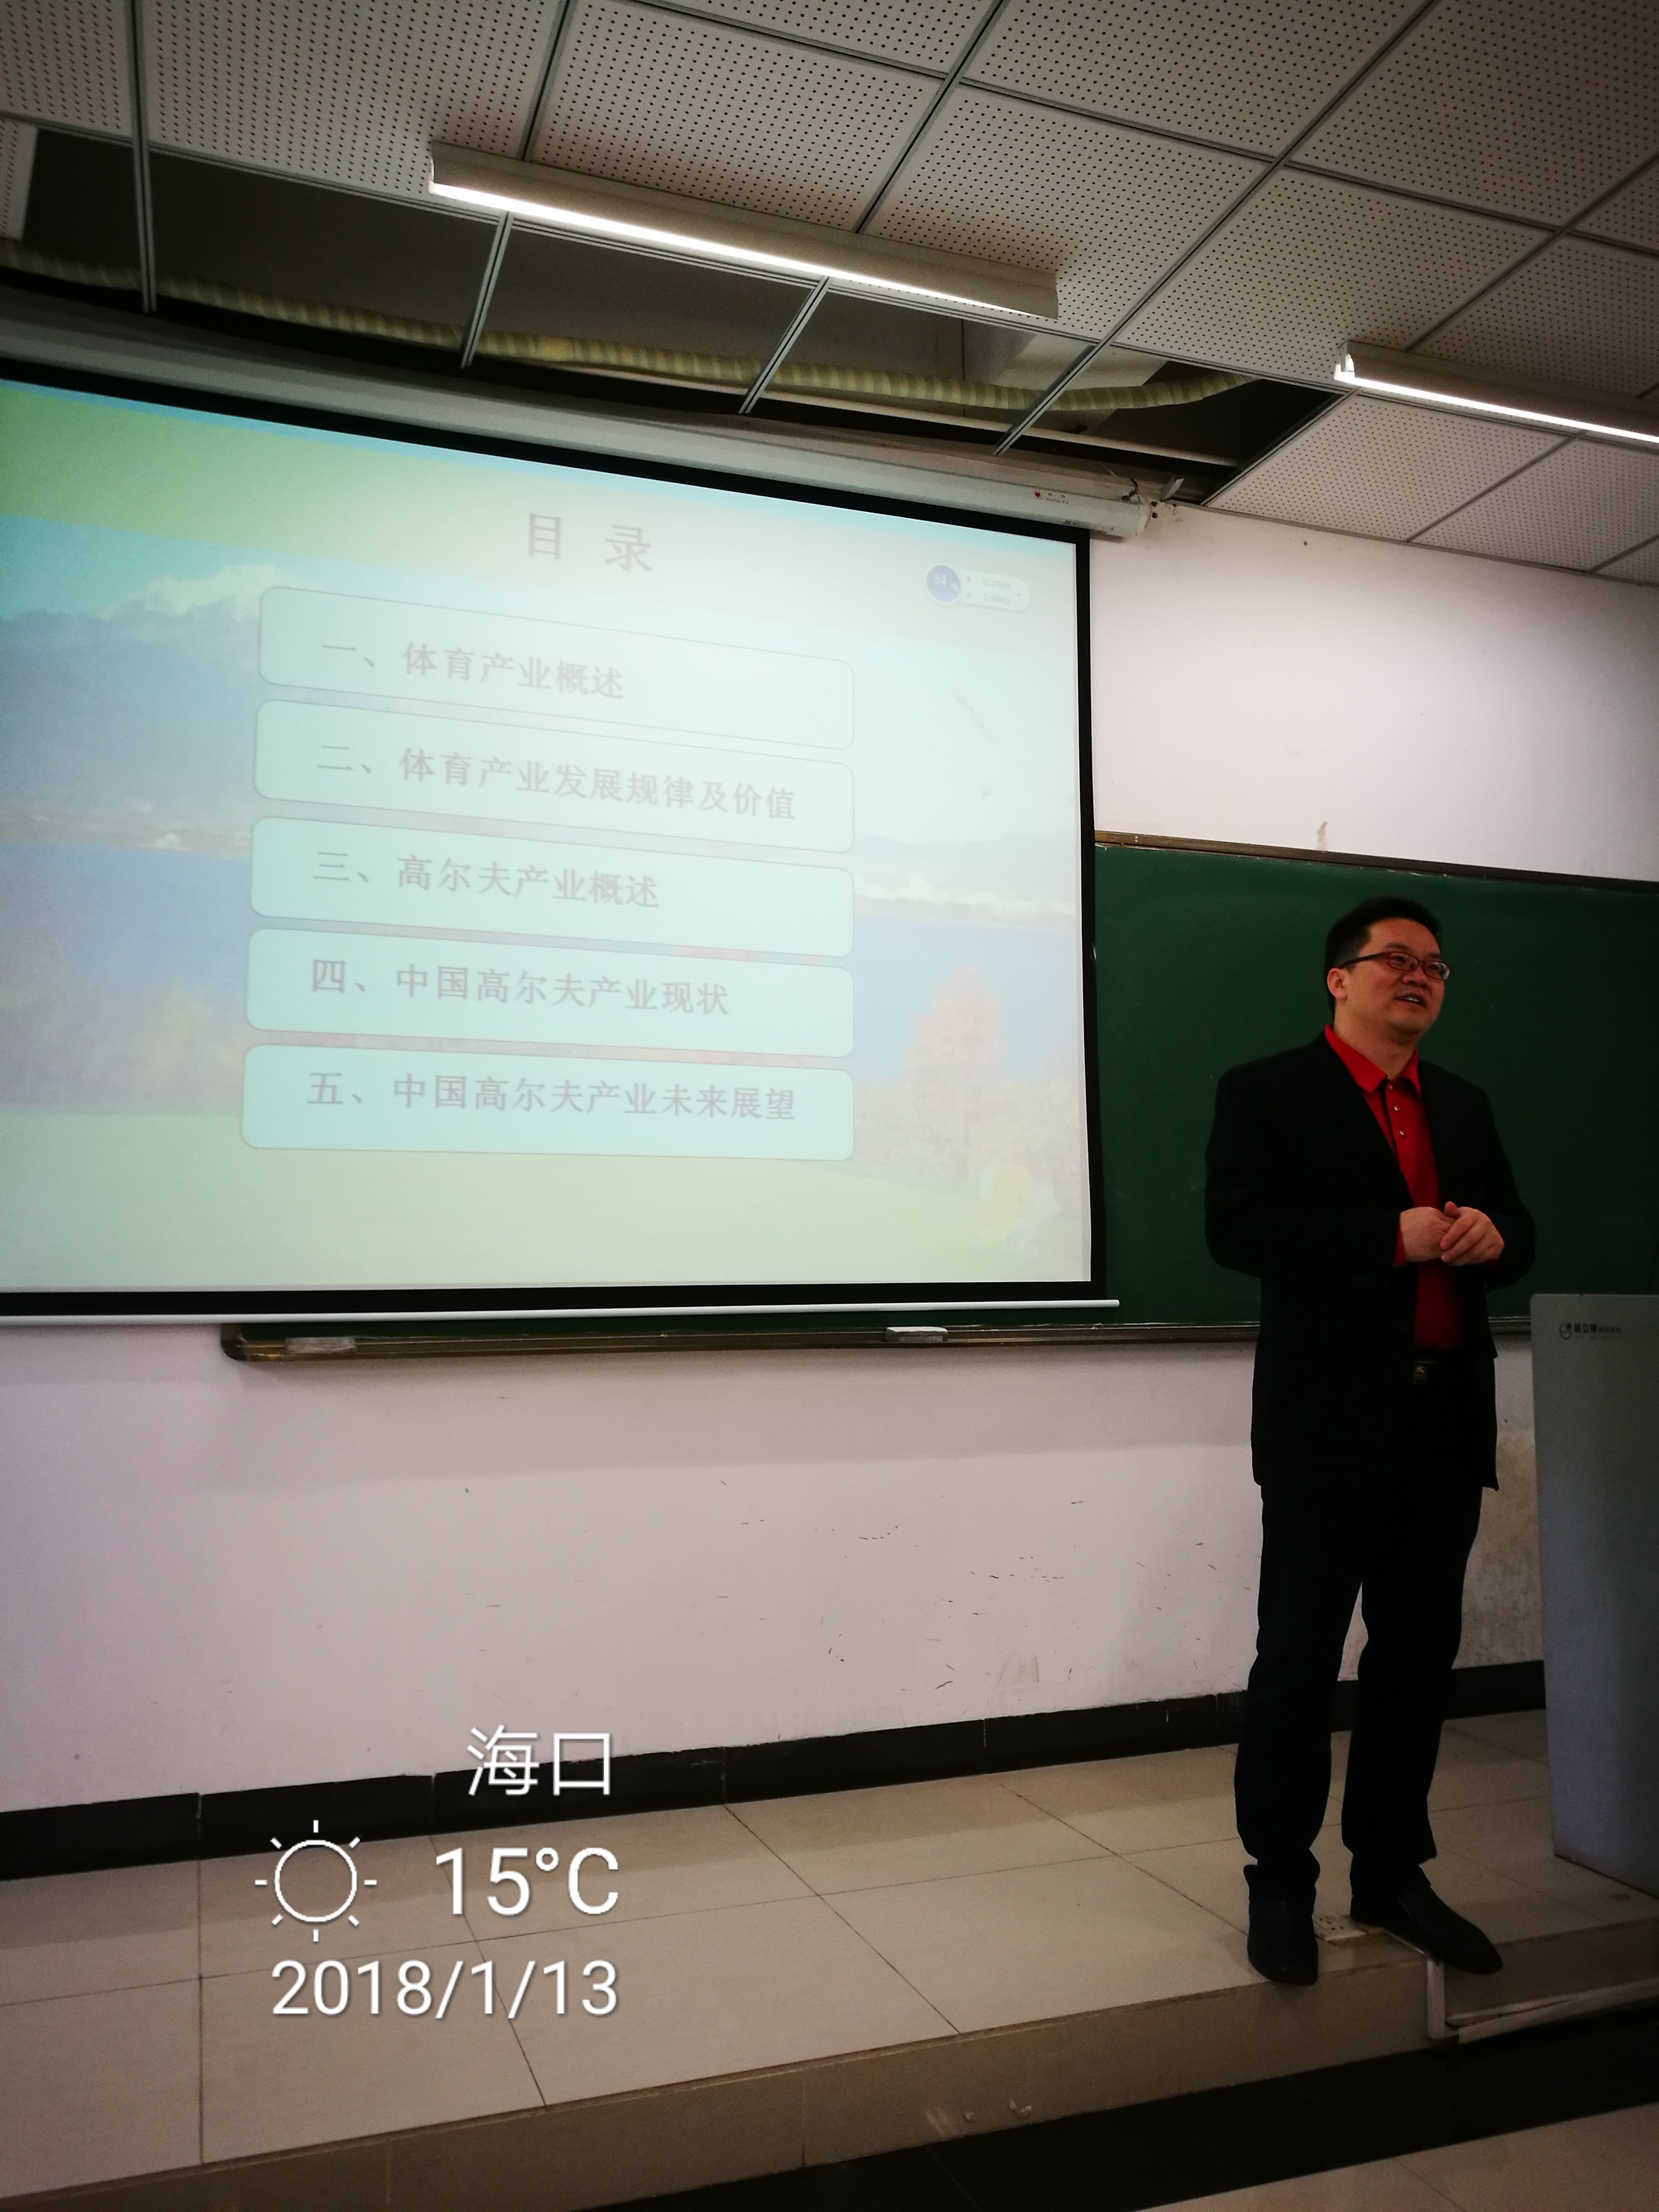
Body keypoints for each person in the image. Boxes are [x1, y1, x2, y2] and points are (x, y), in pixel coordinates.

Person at [1205, 896, 1535, 1985]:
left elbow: (1521, 1231)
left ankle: (1391, 1872)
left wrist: (1492, 1237)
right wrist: (1384, 1238)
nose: (1419, 974)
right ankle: (1280, 1882)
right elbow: (1234, 1227)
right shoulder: (1267, 1091)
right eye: (1395, 958)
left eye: (1435, 963)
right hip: (1326, 1427)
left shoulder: (1464, 1103)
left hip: (1444, 1422)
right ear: (1338, 978)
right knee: (1298, 1660)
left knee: (1415, 1660)